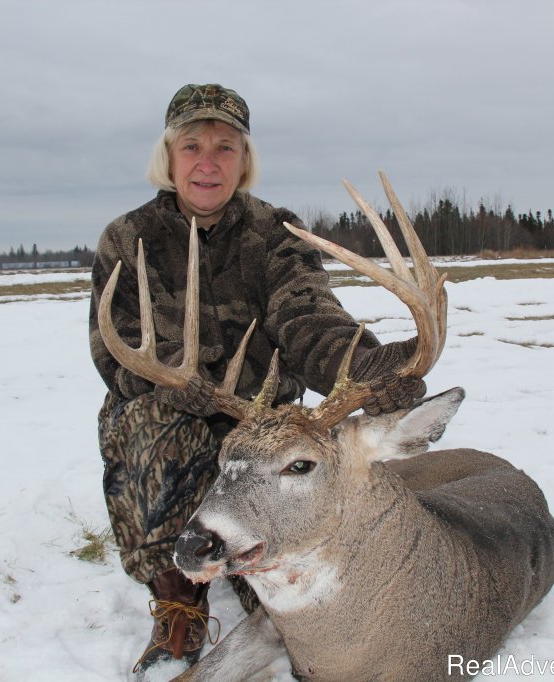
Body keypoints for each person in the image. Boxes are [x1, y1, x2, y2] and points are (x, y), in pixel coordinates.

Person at [88, 83, 426, 674]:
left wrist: (366, 365)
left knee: (292, 498)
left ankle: (262, 577)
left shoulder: (274, 233)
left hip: (260, 423)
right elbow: (111, 345)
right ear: (169, 157)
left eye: (225, 147)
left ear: (244, 160)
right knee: (146, 422)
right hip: (174, 416)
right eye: (192, 145)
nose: (207, 161)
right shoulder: (128, 239)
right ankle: (179, 601)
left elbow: (306, 316)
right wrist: (172, 384)